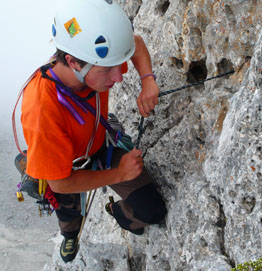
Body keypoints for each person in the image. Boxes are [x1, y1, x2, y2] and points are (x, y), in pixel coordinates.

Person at [19, 0, 167, 263]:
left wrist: (148, 82)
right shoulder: (43, 110)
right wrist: (119, 173)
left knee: (151, 212)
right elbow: (61, 182)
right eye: (108, 70)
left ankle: (116, 210)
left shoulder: (94, 59)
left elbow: (136, 45)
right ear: (73, 62)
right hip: (68, 167)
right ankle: (69, 234)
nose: (118, 77)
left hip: (100, 141)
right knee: (69, 214)